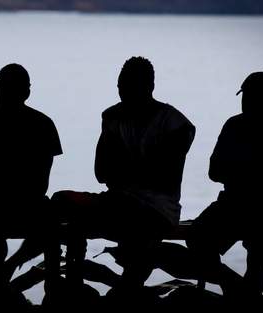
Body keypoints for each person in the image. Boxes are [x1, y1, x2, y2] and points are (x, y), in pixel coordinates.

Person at [52, 56, 195, 296]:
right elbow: (102, 172)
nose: (122, 92)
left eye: (128, 86)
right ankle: (71, 285)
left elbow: (164, 177)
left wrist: (125, 170)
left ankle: (101, 290)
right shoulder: (112, 117)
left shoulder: (175, 123)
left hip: (157, 209)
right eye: (121, 86)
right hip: (119, 201)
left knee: (96, 219)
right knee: (60, 202)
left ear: (148, 87)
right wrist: (135, 170)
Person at [186, 71, 263, 297]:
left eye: (248, 96)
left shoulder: (235, 126)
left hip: (249, 209)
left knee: (202, 240)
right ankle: (240, 289)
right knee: (203, 239)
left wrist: (239, 172)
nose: (245, 101)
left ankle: (235, 288)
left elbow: (216, 171)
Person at [0, 63, 63, 303]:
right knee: (51, 219)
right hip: (30, 202)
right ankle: (49, 292)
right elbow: (42, 183)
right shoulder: (43, 123)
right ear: (27, 92)